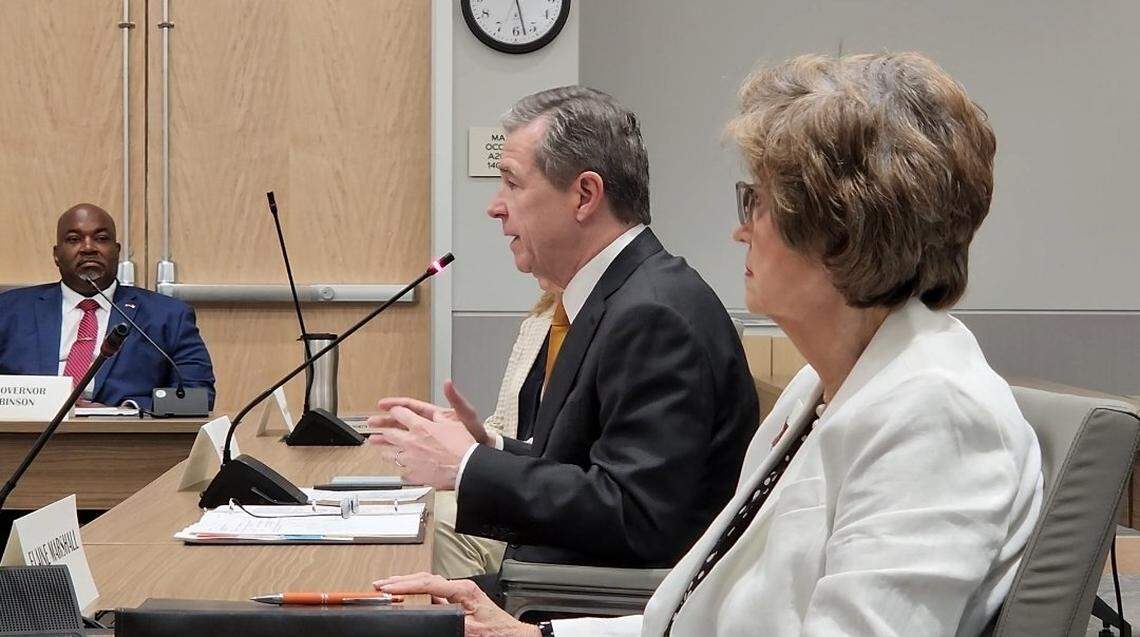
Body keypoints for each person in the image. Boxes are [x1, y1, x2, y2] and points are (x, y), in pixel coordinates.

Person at [372, 52, 1044, 636]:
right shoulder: (828, 386)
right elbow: (703, 613)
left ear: (839, 231)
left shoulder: (934, 413)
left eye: (758, 203)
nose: (740, 231)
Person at [369, 87, 760, 592]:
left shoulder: (653, 315)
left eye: (511, 183)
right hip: (568, 577)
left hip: (594, 601)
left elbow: (636, 515)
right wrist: (489, 446)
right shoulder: (614, 295)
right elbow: (583, 465)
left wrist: (466, 466)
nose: (495, 207)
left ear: (585, 196)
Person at [0, 203, 216, 411]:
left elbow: (198, 396)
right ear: (56, 255)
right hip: (27, 438)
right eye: (74, 239)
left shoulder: (168, 315)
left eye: (101, 239)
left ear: (116, 250)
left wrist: (125, 412)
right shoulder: (9, 310)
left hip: (124, 443)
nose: (88, 248)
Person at [434, 285, 560, 579]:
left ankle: (476, 619)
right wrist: (463, 433)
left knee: (445, 521)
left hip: (548, 501)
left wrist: (475, 457)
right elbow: (504, 422)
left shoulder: (611, 321)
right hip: (519, 484)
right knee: (430, 503)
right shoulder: (540, 321)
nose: (509, 237)